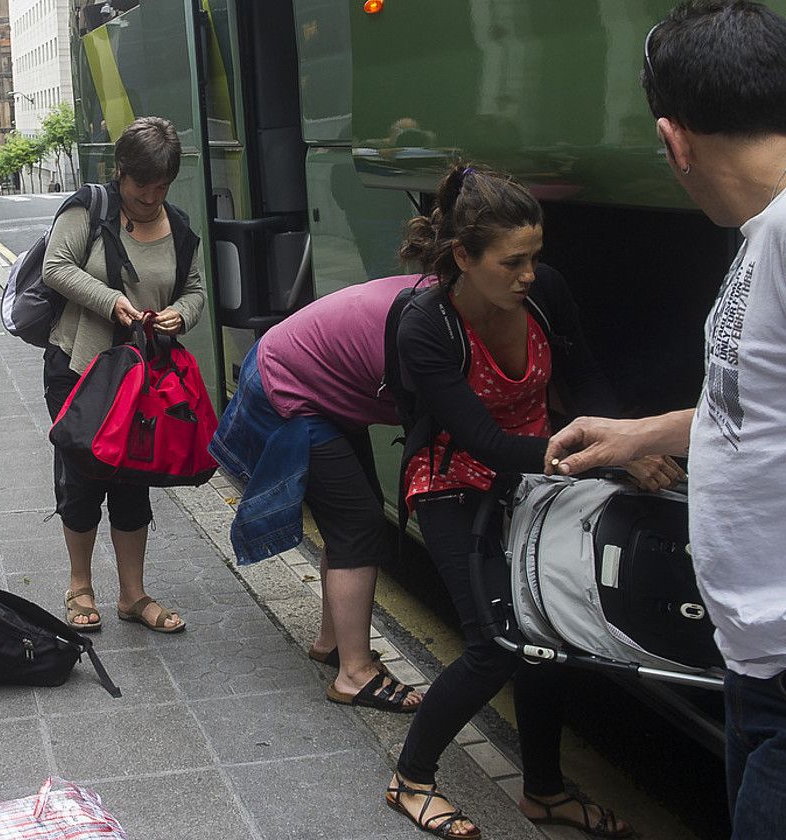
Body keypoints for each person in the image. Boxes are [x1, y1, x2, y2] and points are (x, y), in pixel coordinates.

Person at [385, 163, 683, 840]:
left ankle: (543, 793)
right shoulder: (425, 327)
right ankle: (410, 777)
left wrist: (624, 438)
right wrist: (603, 453)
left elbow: (588, 379)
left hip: (535, 471)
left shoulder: (545, 292)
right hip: (453, 480)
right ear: (463, 256)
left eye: (535, 257)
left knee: (548, 637)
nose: (528, 274)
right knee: (495, 644)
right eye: (511, 261)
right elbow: (483, 441)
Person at [545, 3, 786, 836]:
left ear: (673, 139)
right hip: (757, 658)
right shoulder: (764, 231)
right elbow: (758, 401)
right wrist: (643, 433)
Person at [209, 275, 429, 713]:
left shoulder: (446, 298)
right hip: (290, 385)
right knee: (359, 526)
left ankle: (332, 642)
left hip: (319, 381)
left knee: (351, 517)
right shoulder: (435, 320)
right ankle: (353, 674)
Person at [41, 116, 206, 633]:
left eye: (162, 187)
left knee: (135, 477)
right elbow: (56, 267)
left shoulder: (178, 226)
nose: (151, 197)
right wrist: (113, 303)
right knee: (84, 475)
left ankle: (132, 595)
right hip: (82, 369)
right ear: (120, 173)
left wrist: (183, 313)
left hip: (145, 378)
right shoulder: (90, 209)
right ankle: (80, 586)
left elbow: (196, 288)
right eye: (141, 186)